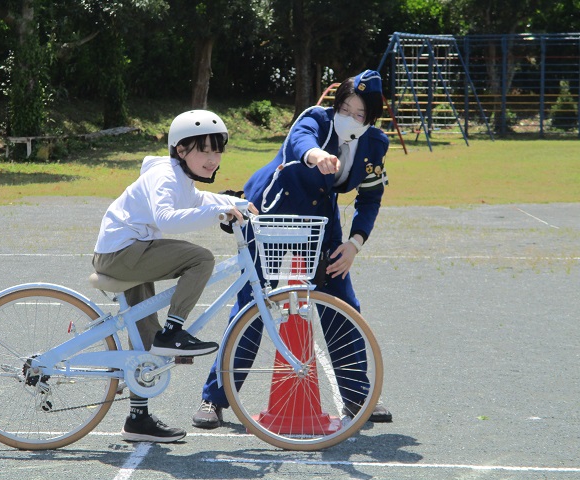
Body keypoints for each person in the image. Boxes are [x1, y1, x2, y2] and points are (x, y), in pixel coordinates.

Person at [193, 69, 393, 428]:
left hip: (319, 221)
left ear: (371, 118)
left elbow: (370, 197)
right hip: (270, 212)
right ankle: (215, 399)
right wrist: (316, 155)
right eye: (345, 108)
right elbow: (301, 140)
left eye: (359, 113)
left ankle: (358, 397)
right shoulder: (315, 118)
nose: (349, 117)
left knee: (343, 303)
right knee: (252, 306)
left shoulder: (375, 144)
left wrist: (354, 243)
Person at [93, 110, 248, 443]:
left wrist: (237, 203)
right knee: (201, 259)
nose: (213, 159)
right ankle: (173, 331)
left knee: (145, 341)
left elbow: (200, 199)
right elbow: (167, 217)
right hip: (122, 254)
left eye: (218, 150)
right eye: (204, 150)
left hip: (130, 253)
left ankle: (138, 419)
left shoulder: (180, 177)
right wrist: (218, 210)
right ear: (181, 150)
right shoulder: (165, 175)